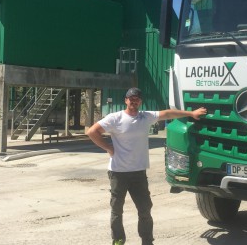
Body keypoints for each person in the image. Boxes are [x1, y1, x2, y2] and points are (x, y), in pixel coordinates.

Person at [87, 87, 207, 245]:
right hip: (118, 172)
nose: (133, 101)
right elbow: (92, 132)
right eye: (131, 98)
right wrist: (108, 148)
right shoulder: (115, 118)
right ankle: (118, 239)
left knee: (145, 209)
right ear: (126, 100)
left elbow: (168, 113)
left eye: (136, 99)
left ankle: (147, 241)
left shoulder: (146, 117)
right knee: (117, 209)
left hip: (138, 173)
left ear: (140, 101)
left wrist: (191, 114)